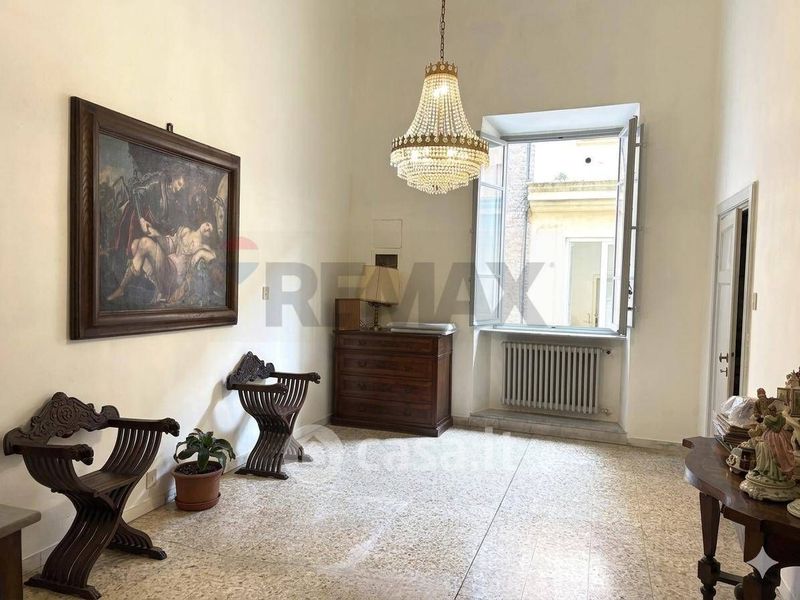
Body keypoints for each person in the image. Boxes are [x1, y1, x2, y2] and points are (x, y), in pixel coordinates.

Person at [107, 218, 216, 304]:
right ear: (202, 222)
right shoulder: (186, 231)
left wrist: (201, 253)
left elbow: (213, 257)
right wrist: (156, 233)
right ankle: (132, 286)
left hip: (174, 276)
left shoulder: (205, 248)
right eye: (207, 224)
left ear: (212, 235)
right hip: (167, 264)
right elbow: (169, 245)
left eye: (211, 229)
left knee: (144, 243)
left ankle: (122, 287)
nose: (207, 228)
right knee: (135, 244)